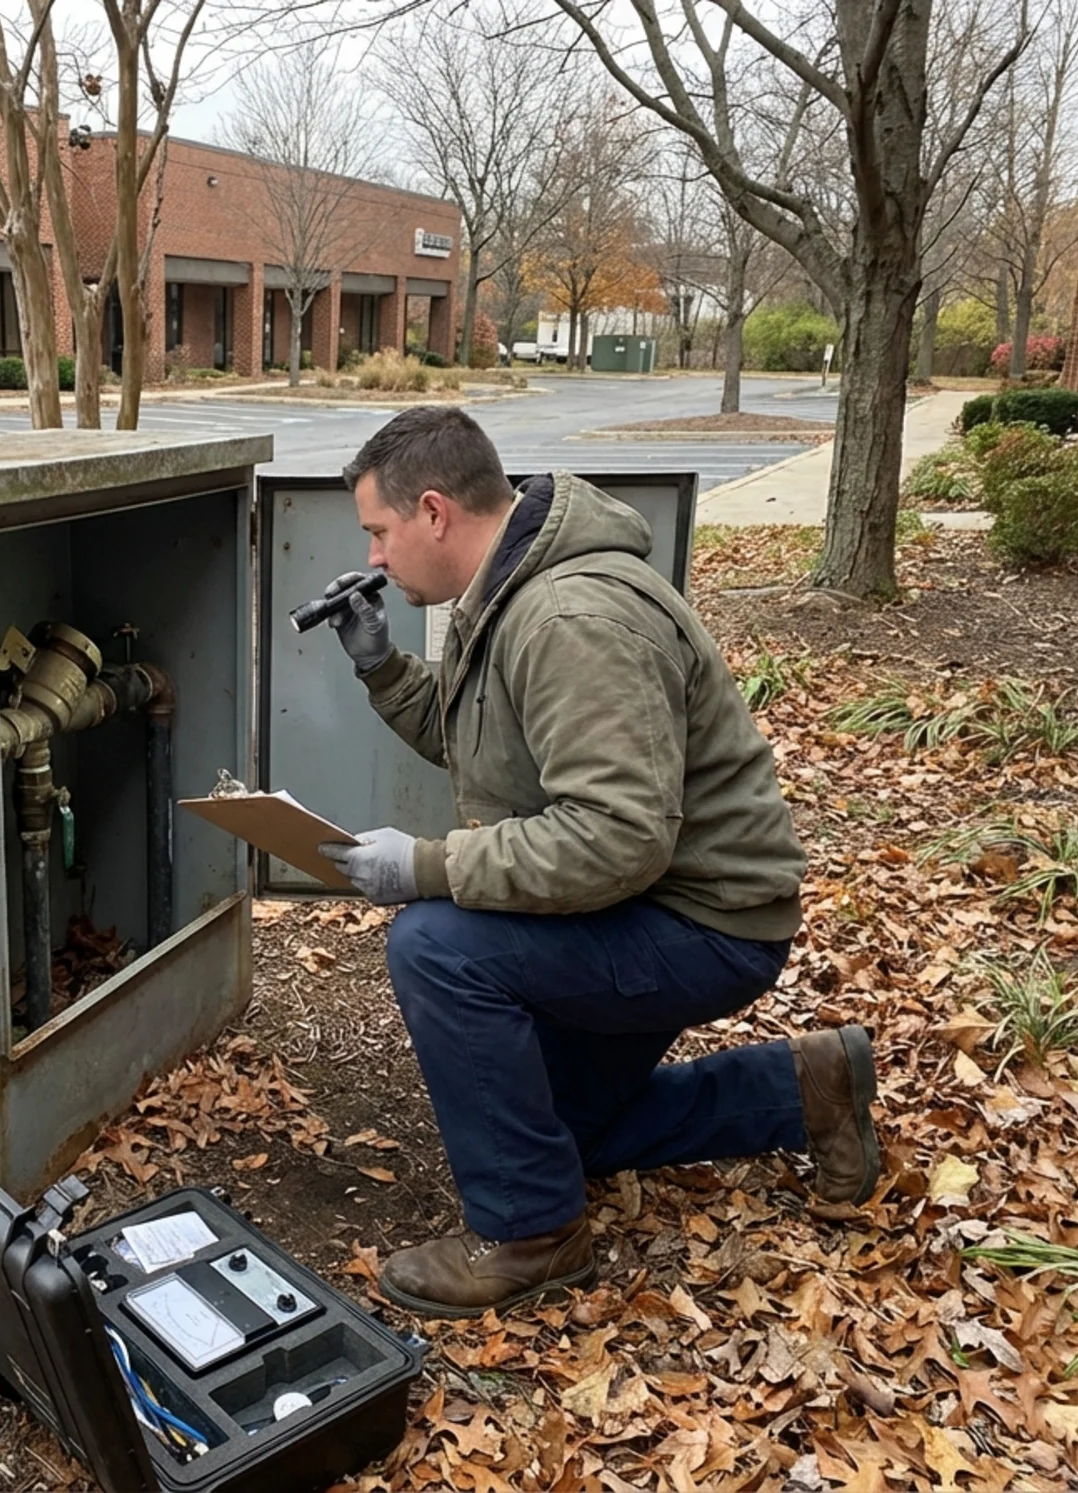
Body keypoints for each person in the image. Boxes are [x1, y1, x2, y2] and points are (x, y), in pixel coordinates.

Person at [314, 406, 878, 1320]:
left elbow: (616, 835)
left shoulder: (569, 615)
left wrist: (426, 864)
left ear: (432, 512)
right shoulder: (509, 589)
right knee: (559, 1130)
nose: (375, 557)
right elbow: (488, 749)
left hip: (702, 920)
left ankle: (531, 1232)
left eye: (378, 533)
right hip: (653, 898)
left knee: (436, 945)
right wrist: (382, 670)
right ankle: (804, 1087)